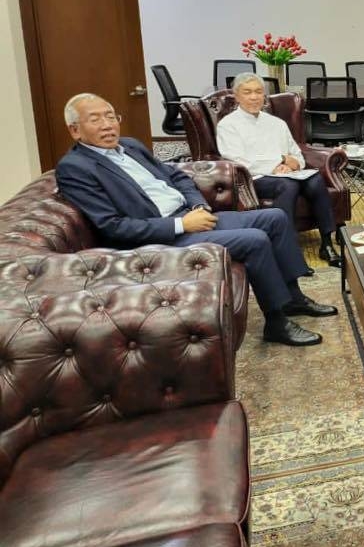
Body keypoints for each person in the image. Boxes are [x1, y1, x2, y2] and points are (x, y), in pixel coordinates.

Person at [55, 93, 338, 347]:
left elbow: (177, 176)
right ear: (75, 130)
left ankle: (293, 299)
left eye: (110, 116)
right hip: (160, 236)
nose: (108, 125)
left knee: (274, 218)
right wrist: (181, 225)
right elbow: (113, 226)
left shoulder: (130, 146)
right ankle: (276, 322)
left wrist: (199, 206)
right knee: (254, 240)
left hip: (187, 216)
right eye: (95, 120)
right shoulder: (75, 168)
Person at [217, 72, 339, 269]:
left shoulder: (276, 123)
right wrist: (278, 162)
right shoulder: (228, 125)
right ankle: (289, 254)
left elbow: (296, 154)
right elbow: (237, 161)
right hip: (254, 179)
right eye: (247, 92)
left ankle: (327, 243)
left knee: (315, 179)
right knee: (287, 185)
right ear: (237, 96)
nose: (254, 97)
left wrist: (292, 164)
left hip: (287, 174)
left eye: (258, 92)